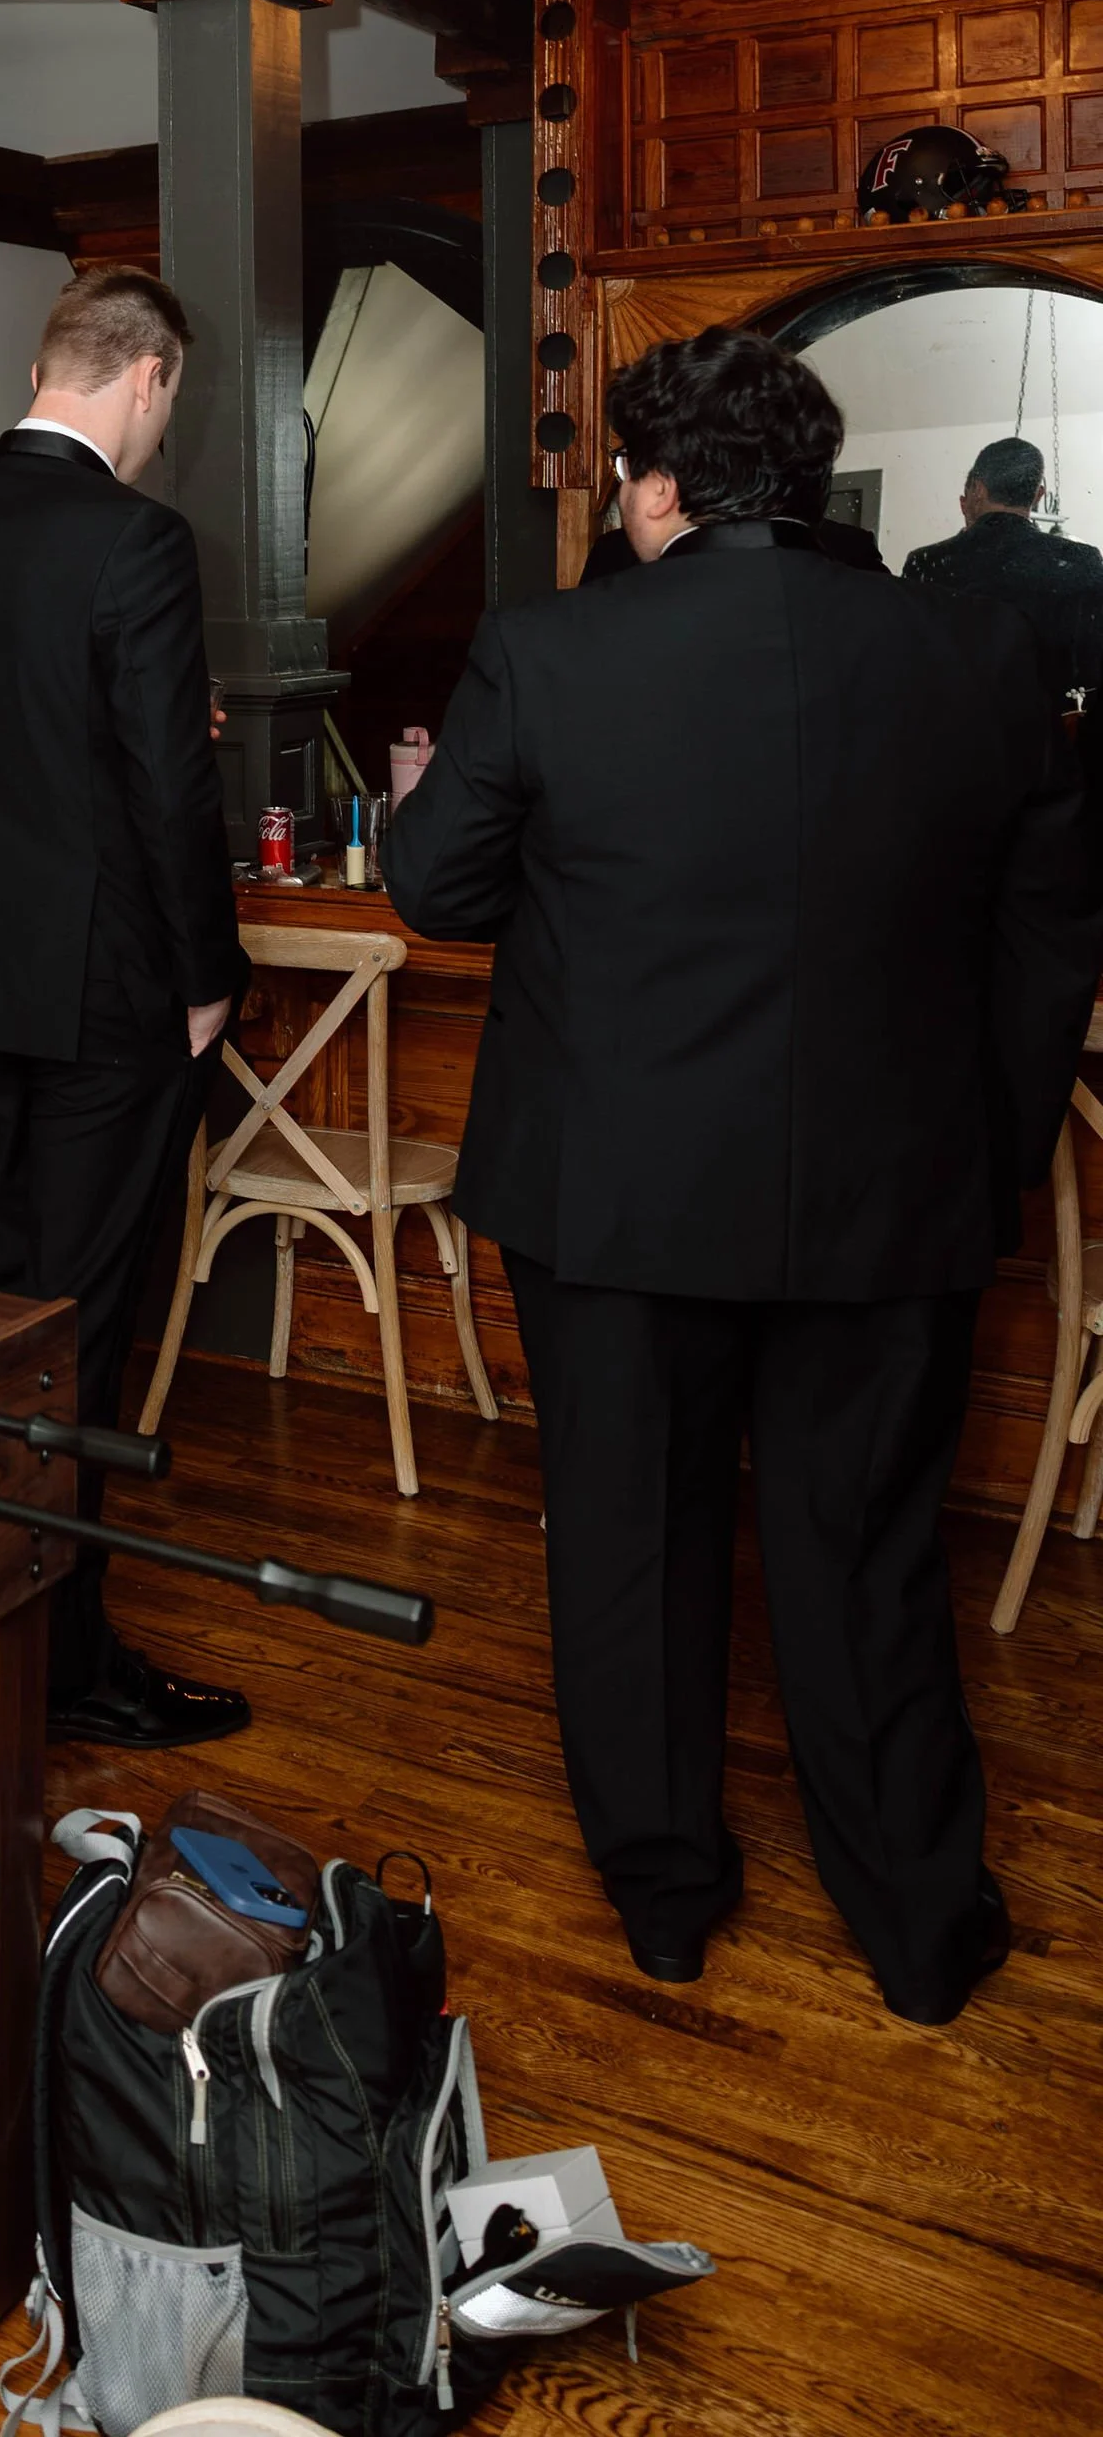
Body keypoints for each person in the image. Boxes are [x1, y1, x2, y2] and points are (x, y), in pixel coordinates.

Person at [384, 323, 1103, 2022]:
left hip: (615, 1194)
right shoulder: (980, 653)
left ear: (662, 490)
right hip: (891, 1192)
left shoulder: (550, 656)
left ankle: (666, 1901)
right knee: (866, 1556)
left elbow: (433, 887)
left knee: (631, 1550)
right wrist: (983, 1159)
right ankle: (920, 1922)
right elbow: (1047, 926)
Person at [0, 267, 248, 1750]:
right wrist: (208, 977)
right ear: (146, 377)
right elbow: (170, 792)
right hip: (105, 1001)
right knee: (80, 1338)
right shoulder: (137, 542)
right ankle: (67, 1665)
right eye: (174, 398)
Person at [902, 434, 1103, 702]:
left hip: (947, 729)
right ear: (1037, 495)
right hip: (1045, 731)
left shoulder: (925, 562)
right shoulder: (1081, 560)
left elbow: (909, 662)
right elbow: (1092, 668)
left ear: (978, 490)